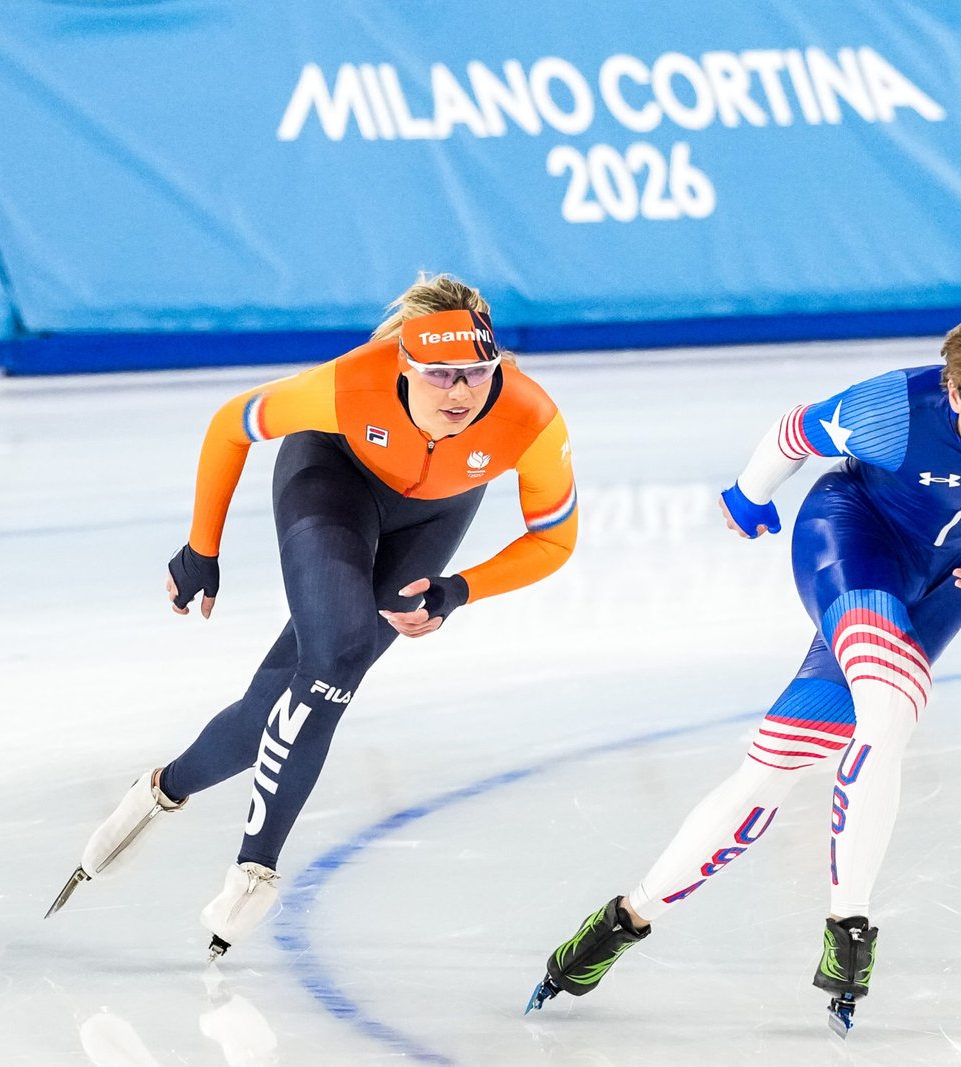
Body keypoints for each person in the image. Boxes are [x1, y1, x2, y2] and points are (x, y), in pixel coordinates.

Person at [530, 304, 961, 1032]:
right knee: (888, 707)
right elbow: (795, 431)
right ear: (952, 391)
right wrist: (749, 496)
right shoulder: (896, 411)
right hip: (851, 539)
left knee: (771, 769)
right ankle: (850, 926)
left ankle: (617, 923)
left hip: (948, 586)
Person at [45, 274, 578, 959]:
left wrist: (460, 589)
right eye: (440, 375)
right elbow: (230, 424)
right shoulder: (348, 384)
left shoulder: (530, 417)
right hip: (331, 482)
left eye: (475, 373)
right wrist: (201, 548)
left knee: (281, 698)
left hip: (436, 514)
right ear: (404, 367)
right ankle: (254, 869)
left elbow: (555, 538)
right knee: (339, 655)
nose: (461, 392)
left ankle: (160, 790)